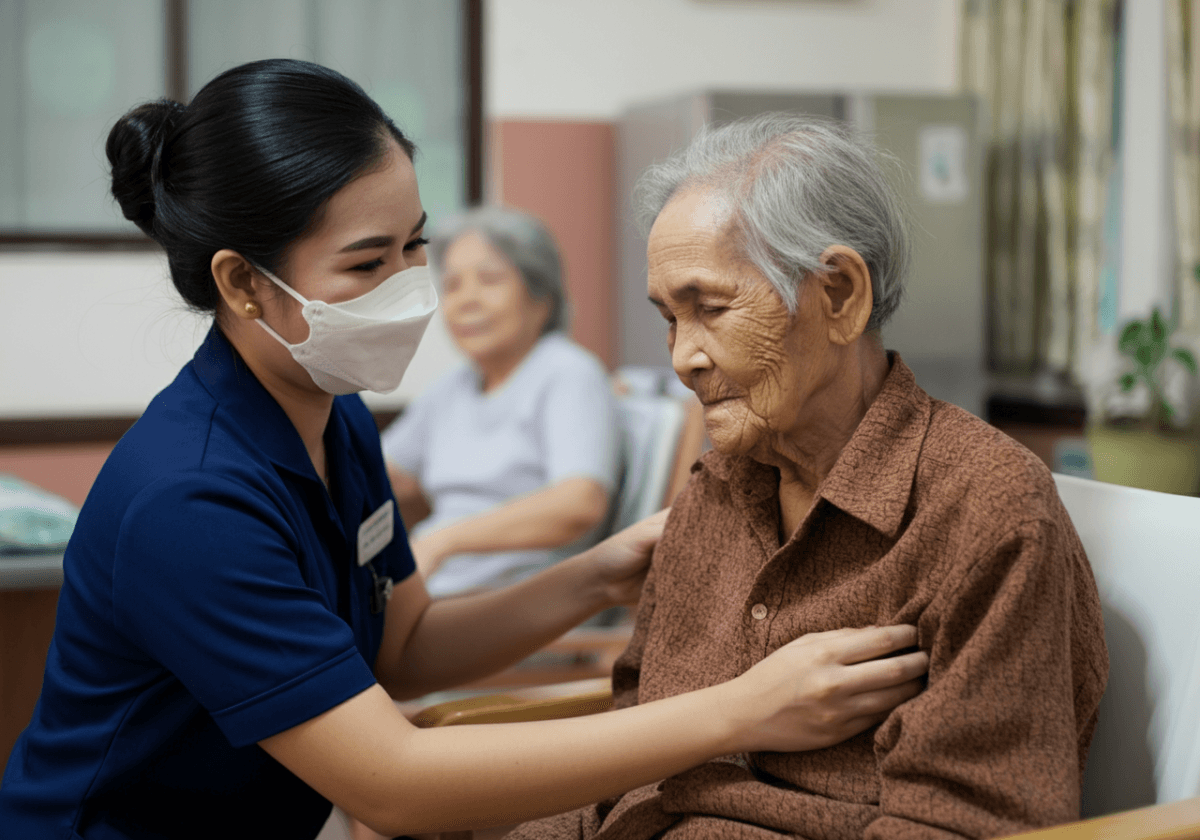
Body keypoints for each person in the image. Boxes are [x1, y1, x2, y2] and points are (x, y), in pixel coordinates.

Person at [0, 63, 931, 840]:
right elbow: (393, 780)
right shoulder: (191, 500)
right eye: (368, 265)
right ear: (246, 285)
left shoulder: (333, 417)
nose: (415, 288)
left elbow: (399, 647)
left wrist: (601, 573)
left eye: (416, 246)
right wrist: (743, 708)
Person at [508, 114, 1109, 840]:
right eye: (670, 318)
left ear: (840, 296)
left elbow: (962, 825)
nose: (682, 358)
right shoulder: (716, 488)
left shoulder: (983, 511)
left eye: (712, 309)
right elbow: (634, 732)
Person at [382, 207, 620, 597]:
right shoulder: (454, 387)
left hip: (514, 609)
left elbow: (579, 504)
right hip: (438, 590)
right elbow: (386, 471)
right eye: (453, 285)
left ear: (540, 295)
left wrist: (443, 541)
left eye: (489, 280)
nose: (465, 301)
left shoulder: (567, 372)